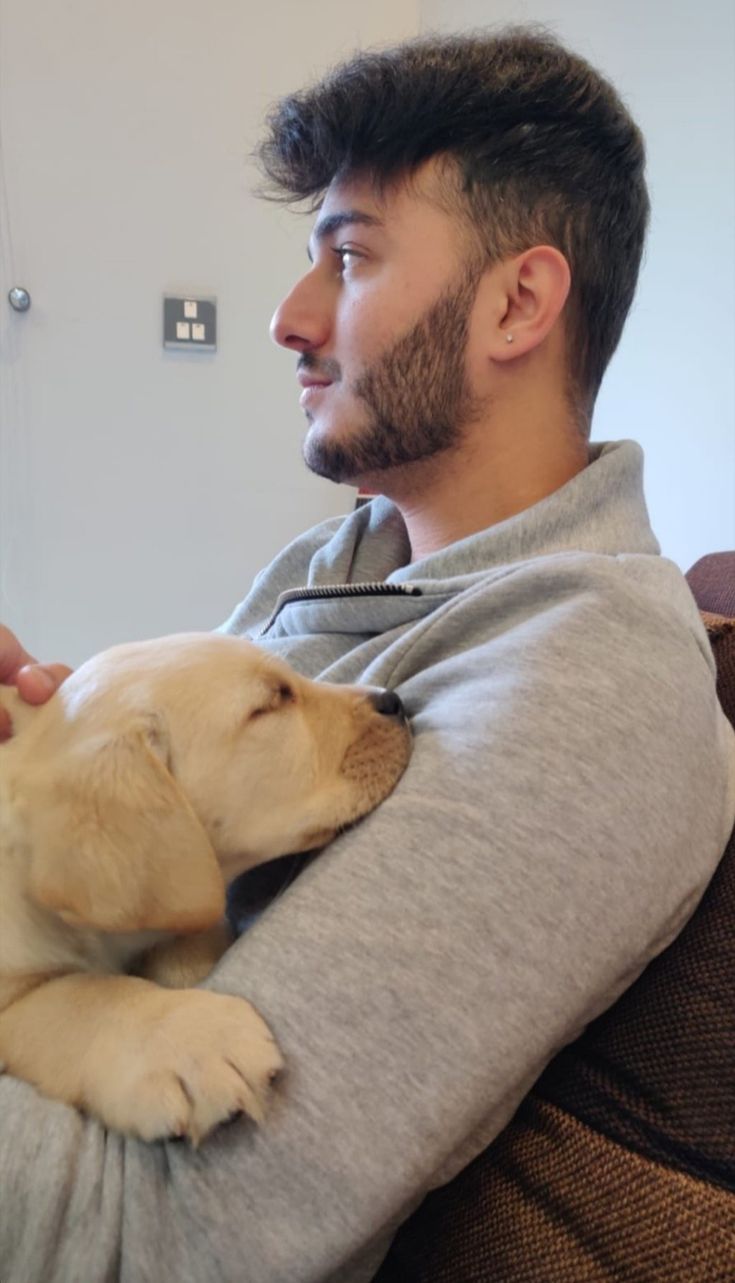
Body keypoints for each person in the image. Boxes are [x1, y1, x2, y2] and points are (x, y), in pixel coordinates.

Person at [1, 28, 733, 1283]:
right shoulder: (338, 562)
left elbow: (159, 1233)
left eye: (349, 258)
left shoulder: (584, 676)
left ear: (518, 303)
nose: (289, 320)